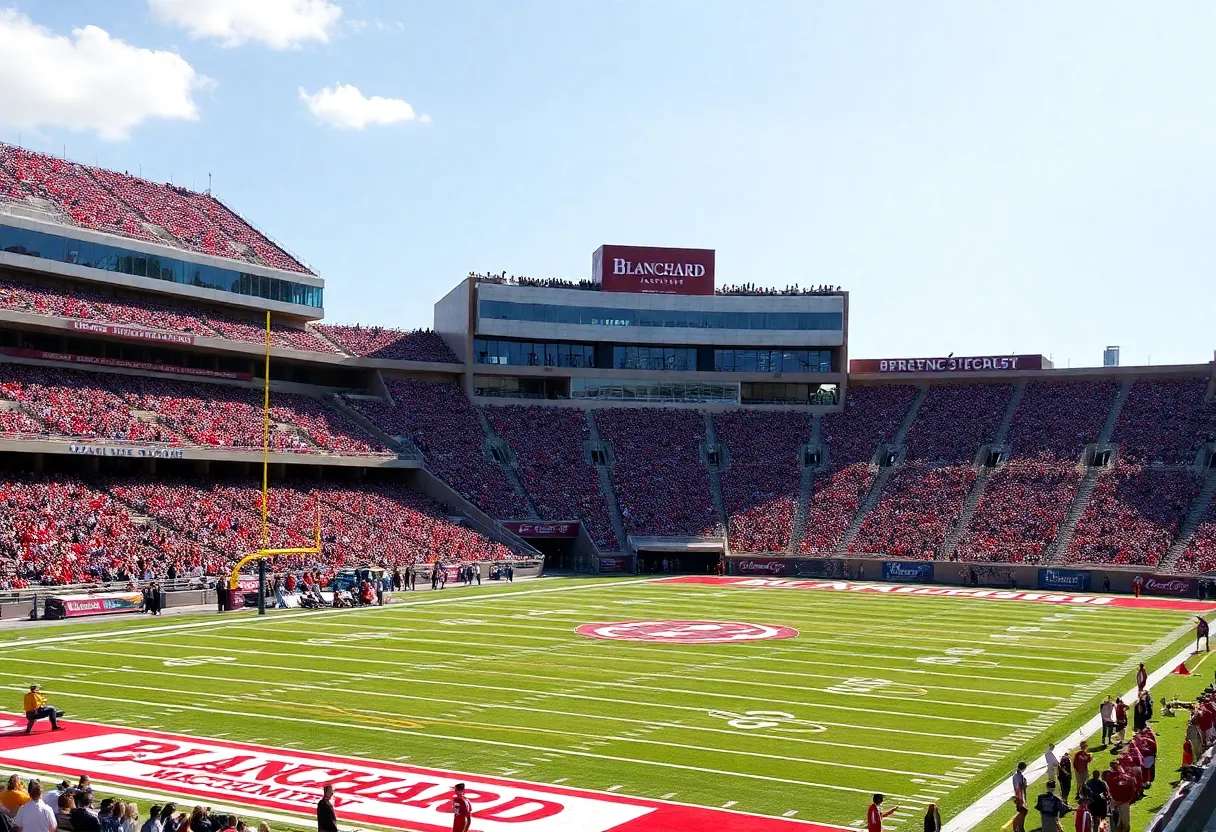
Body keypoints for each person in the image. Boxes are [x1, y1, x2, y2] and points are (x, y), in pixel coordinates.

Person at [1011, 762, 1028, 832]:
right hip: (1020, 797)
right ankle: (1017, 826)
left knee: (1023, 811)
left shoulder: (1019, 775)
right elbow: (1017, 788)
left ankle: (1020, 827)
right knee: (1023, 811)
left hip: (1021, 796)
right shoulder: (1017, 776)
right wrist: (1019, 798)